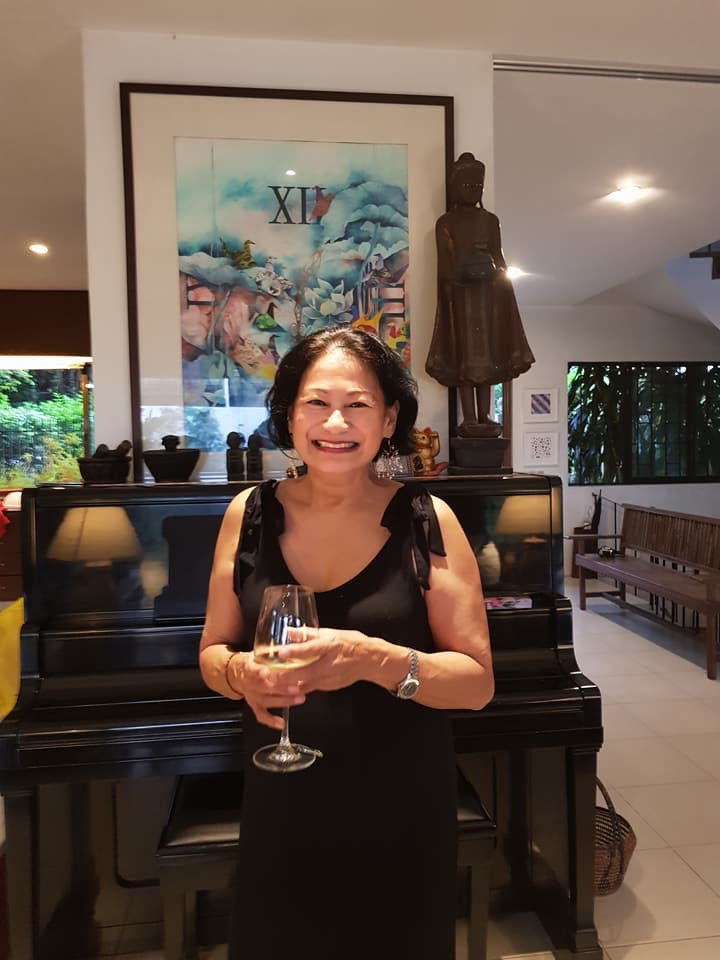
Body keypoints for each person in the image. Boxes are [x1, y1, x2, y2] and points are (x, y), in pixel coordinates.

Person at [199, 327, 494, 960]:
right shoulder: (248, 515)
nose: (336, 422)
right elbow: (212, 652)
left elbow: (476, 684)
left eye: (358, 405)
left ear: (388, 420)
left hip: (400, 802)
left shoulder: (426, 519)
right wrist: (240, 674)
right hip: (283, 800)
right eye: (316, 402)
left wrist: (370, 658)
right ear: (289, 415)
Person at [426, 151, 535, 437]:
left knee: (487, 354)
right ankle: (470, 417)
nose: (473, 191)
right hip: (461, 297)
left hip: (488, 297)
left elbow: (499, 258)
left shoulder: (490, 221)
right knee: (465, 354)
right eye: (467, 185)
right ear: (455, 187)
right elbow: (445, 267)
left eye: (478, 186)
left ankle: (485, 414)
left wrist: (495, 273)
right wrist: (464, 272)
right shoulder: (446, 223)